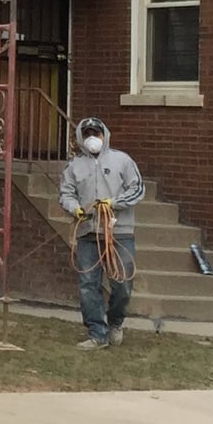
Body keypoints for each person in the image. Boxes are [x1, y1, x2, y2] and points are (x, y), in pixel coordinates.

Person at [58, 116, 144, 350]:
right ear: (81, 138)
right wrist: (74, 208)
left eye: (96, 133)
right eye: (87, 134)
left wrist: (113, 202)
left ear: (104, 134)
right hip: (88, 233)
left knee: (122, 284)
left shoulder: (122, 161)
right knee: (88, 284)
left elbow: (137, 189)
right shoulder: (74, 166)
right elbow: (66, 193)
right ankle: (97, 333)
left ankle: (115, 322)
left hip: (120, 232)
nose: (92, 138)